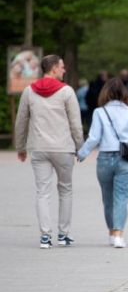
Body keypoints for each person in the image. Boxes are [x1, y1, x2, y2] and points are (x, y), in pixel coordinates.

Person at [15, 54, 84, 249]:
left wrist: (21, 147)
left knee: (42, 192)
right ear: (53, 68)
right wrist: (80, 147)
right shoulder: (67, 92)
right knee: (65, 189)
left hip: (38, 148)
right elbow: (75, 124)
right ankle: (63, 234)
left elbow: (21, 121)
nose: (64, 70)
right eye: (62, 67)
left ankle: (45, 236)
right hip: (63, 148)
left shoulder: (29, 91)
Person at [77, 77, 128, 248]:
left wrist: (82, 153)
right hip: (126, 159)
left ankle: (111, 233)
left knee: (107, 199)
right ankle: (118, 235)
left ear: (105, 93)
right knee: (121, 198)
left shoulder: (99, 112)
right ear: (124, 93)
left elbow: (94, 138)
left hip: (105, 158)